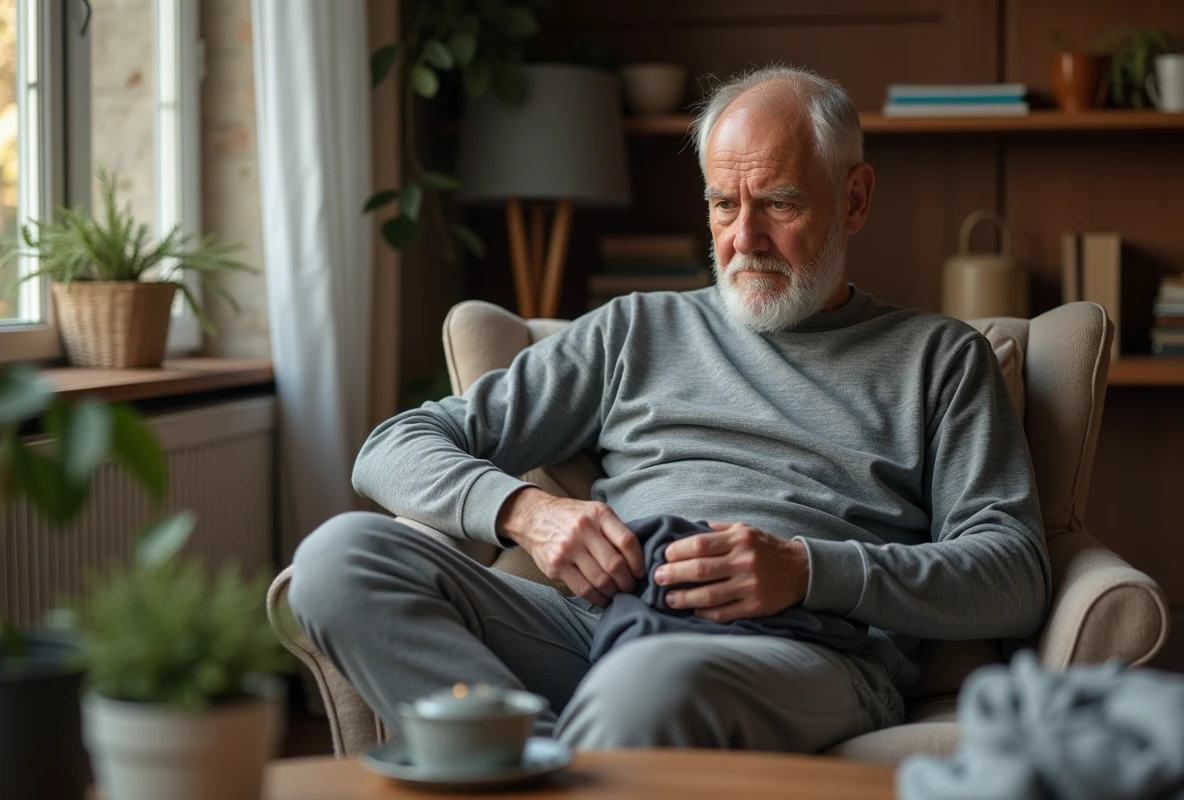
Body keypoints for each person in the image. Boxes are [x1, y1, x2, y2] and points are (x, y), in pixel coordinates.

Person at [289, 65, 1051, 754]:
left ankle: (562, 757)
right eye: (724, 204)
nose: (743, 239)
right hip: (603, 624)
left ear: (853, 199)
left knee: (648, 684)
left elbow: (1013, 576)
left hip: (805, 652)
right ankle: (542, 762)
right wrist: (528, 512)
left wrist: (809, 570)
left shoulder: (940, 360)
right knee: (338, 561)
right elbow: (394, 444)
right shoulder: (637, 330)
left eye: (779, 203)